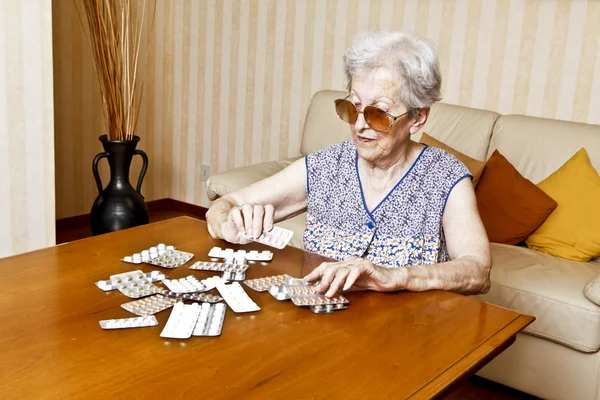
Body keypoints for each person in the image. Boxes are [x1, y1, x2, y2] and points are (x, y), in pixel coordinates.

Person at [206, 31, 491, 298]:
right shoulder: (325, 166)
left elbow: (477, 270)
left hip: (409, 335)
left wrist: (397, 276)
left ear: (417, 118)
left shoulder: (446, 176)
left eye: (378, 114)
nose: (360, 125)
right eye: (352, 108)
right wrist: (226, 224)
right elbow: (225, 204)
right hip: (321, 327)